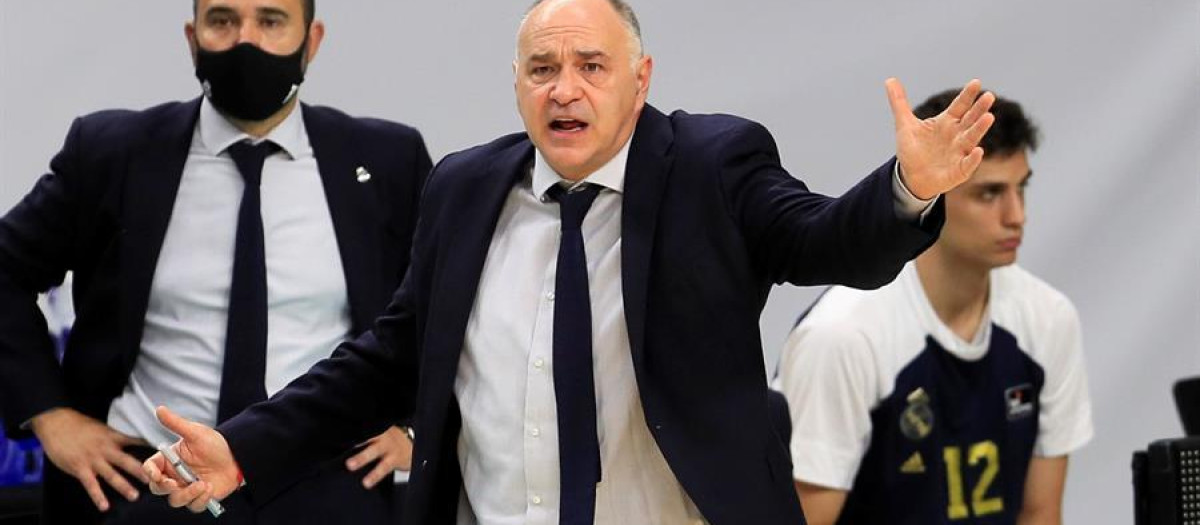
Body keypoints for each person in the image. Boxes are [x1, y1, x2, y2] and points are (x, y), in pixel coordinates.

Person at [142, 1, 997, 523]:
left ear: (640, 78)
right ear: (516, 84)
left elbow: (822, 241)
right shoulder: (464, 187)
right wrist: (243, 448)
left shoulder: (714, 164)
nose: (565, 89)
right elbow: (387, 360)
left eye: (592, 66)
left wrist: (905, 189)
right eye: (543, 68)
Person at [0, 0, 431, 523]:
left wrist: (417, 426)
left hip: (325, 481)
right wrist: (49, 415)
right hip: (147, 480)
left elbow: (442, 303)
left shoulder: (386, 160)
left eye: (271, 21)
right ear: (192, 37)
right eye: (222, 20)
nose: (244, 40)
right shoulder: (115, 153)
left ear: (311, 40)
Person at [774, 90, 1093, 525]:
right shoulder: (842, 336)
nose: (1016, 215)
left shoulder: (1049, 319)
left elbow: (1040, 513)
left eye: (1022, 188)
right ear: (937, 192)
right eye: (989, 194)